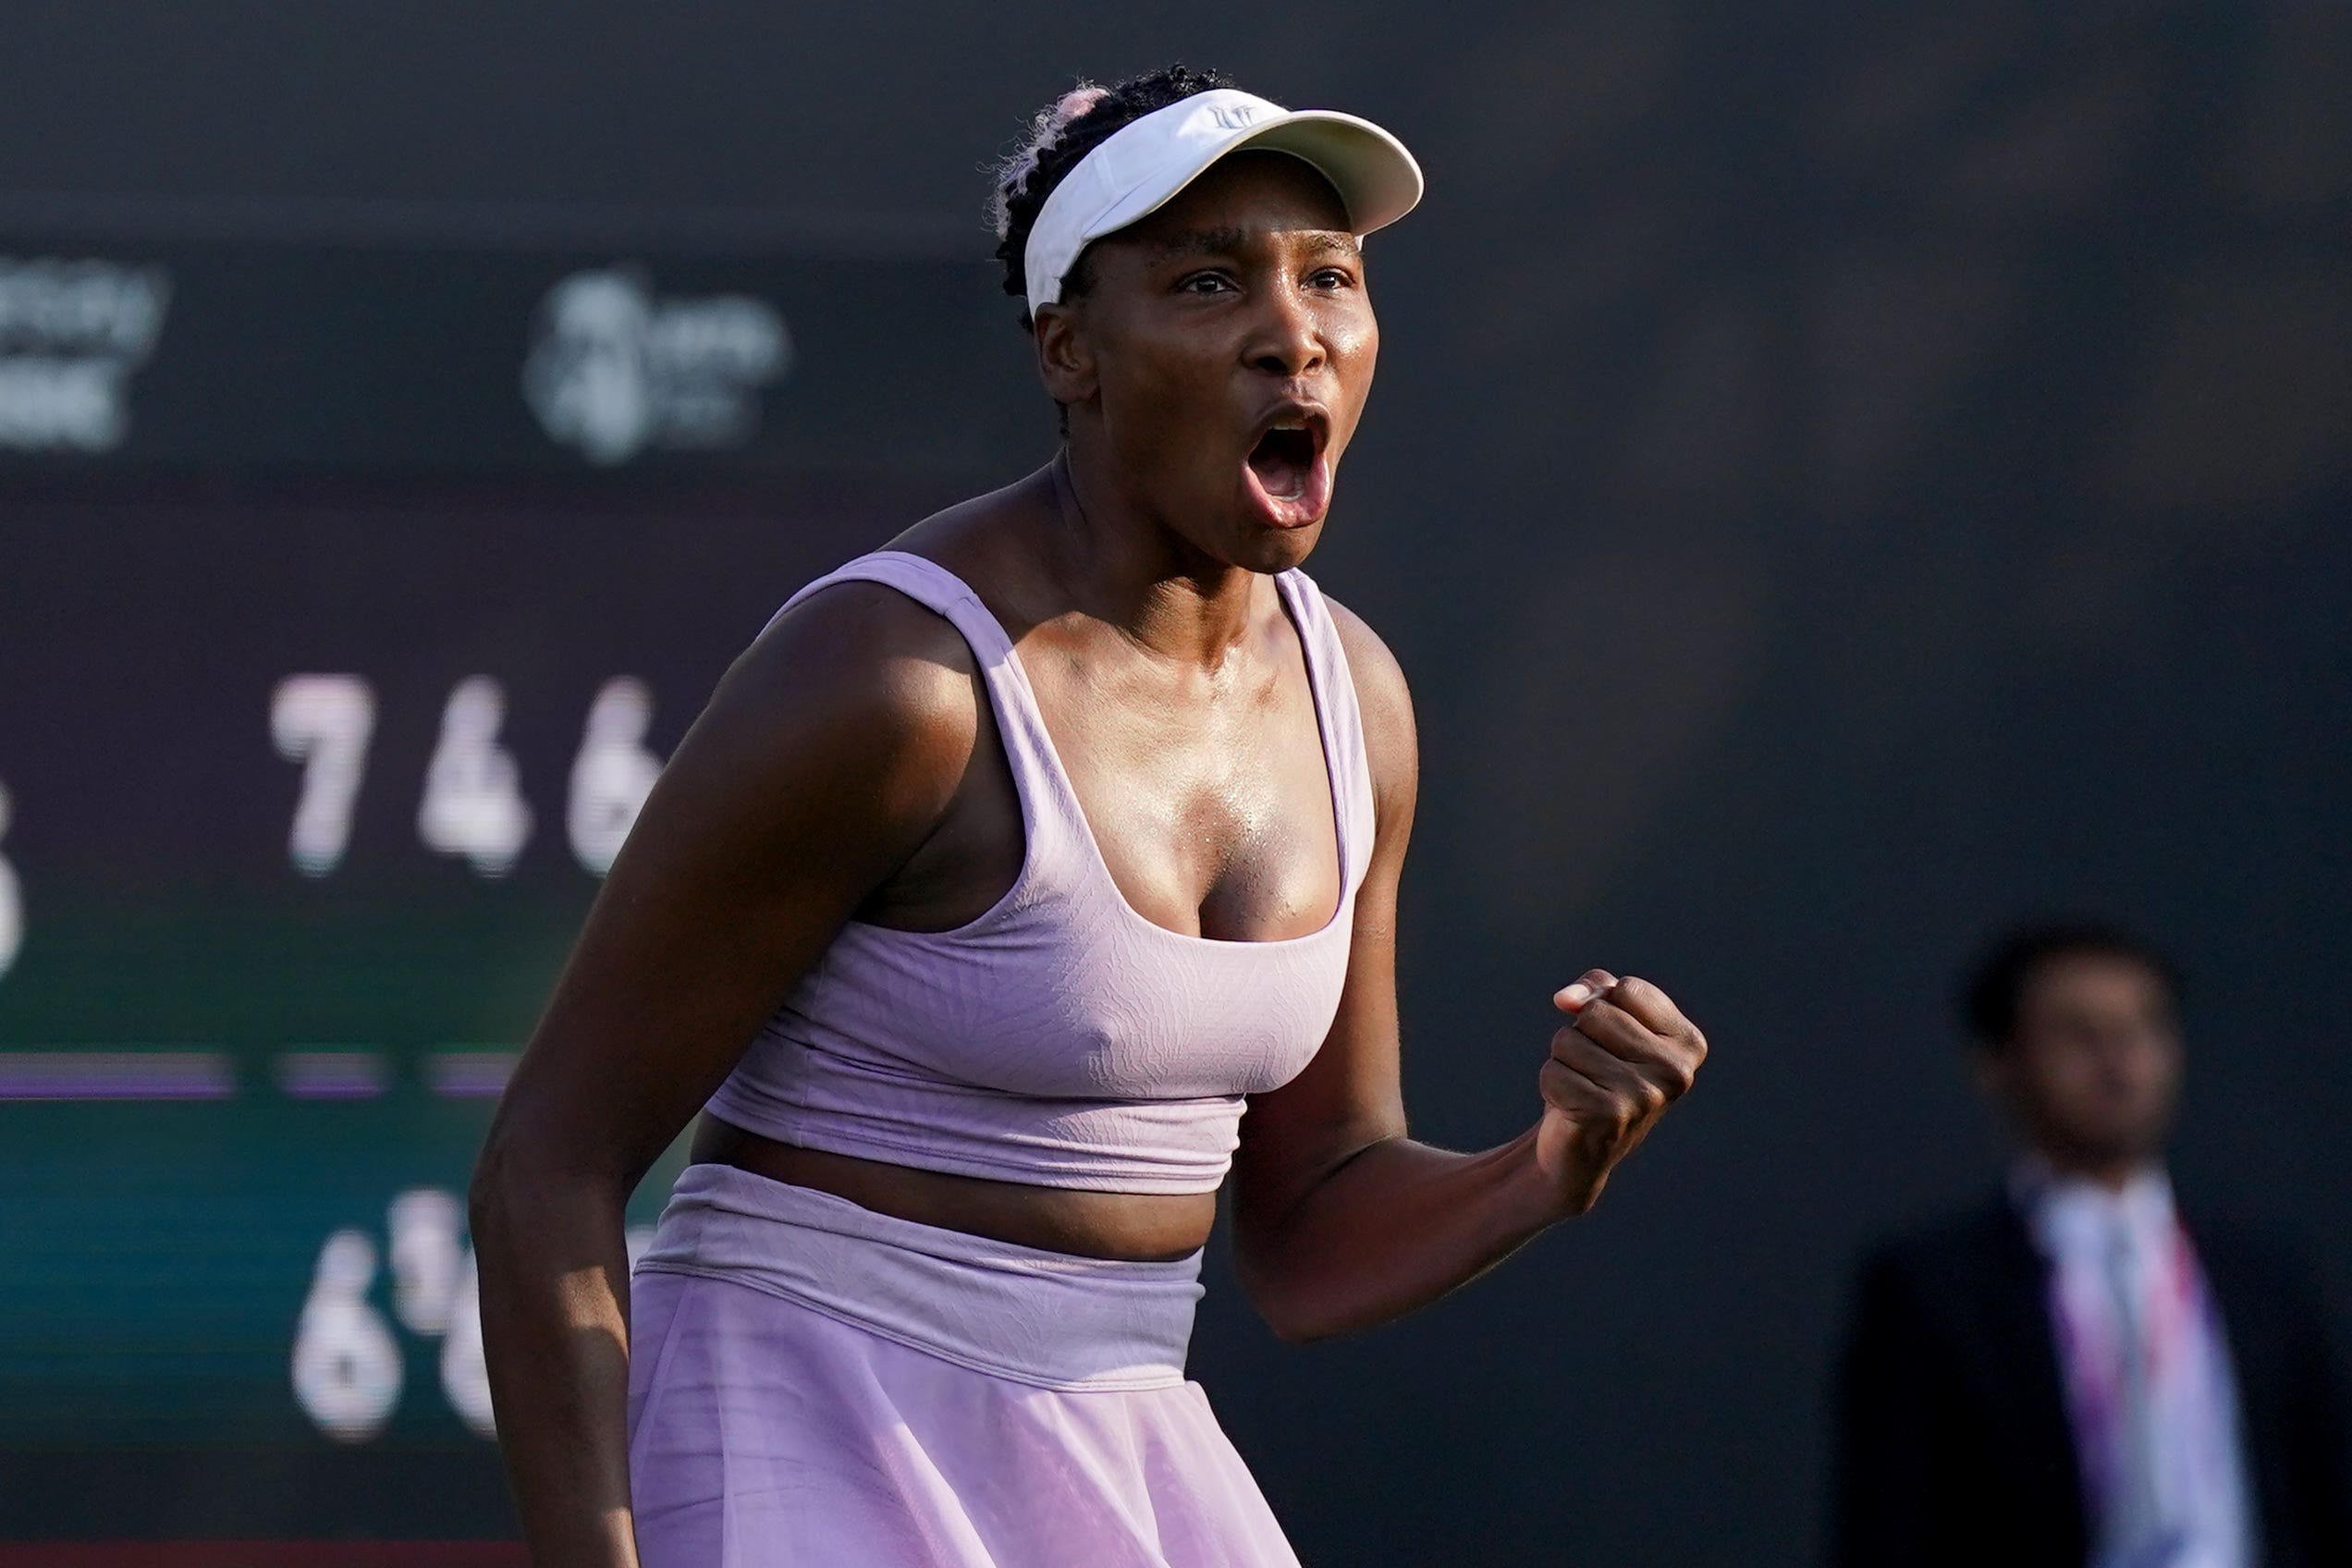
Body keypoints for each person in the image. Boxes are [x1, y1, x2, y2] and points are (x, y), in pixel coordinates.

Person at [470, 66, 1710, 1568]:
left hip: (1121, 1446)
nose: (1289, 331)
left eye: (1329, 278)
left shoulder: (1355, 699)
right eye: (1205, 281)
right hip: (793, 1422)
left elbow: (1310, 1230)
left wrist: (1547, 1162)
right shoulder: (896, 680)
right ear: (1070, 351)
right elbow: (550, 1159)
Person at [1829, 920, 2352, 1568]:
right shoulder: (1934, 1287)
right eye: (2078, 1033)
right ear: (1999, 1062)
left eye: (2144, 1027)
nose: (2120, 1059)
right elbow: (1891, 1523)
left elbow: (2323, 1491)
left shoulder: (2262, 1272)